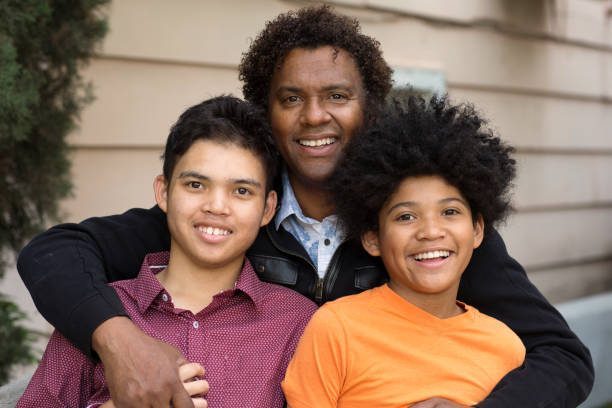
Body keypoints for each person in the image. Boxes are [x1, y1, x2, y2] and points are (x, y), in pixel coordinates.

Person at [18, 5, 593, 408]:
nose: (314, 116)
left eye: (337, 97)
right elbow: (53, 253)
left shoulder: (425, 233)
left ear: (370, 108)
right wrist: (121, 342)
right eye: (291, 99)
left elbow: (563, 356)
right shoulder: (228, 218)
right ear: (267, 112)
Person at [16, 96, 317, 408]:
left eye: (241, 191)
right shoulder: (98, 318)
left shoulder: (298, 325)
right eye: (196, 185)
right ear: (163, 192)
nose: (216, 206)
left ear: (267, 208)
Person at [282, 95, 524, 407]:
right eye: (406, 216)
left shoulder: (506, 347)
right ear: (373, 238)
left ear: (477, 229)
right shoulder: (336, 328)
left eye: (450, 212)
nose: (431, 231)